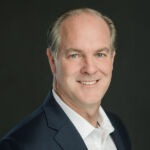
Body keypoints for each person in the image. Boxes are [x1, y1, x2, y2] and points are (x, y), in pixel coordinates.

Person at [0, 8, 131, 150]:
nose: (90, 69)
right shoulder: (20, 145)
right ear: (52, 60)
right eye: (75, 55)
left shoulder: (117, 128)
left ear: (112, 58)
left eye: (100, 54)